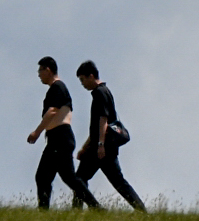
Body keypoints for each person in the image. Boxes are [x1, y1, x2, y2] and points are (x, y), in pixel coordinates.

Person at [74, 60, 147, 211]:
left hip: (101, 148)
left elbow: (103, 120)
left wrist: (100, 145)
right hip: (103, 147)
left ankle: (87, 210)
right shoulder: (104, 91)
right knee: (118, 182)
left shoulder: (100, 93)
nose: (82, 84)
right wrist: (84, 147)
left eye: (83, 80)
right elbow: (96, 127)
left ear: (91, 76)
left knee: (79, 180)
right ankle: (141, 210)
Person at [28, 57, 99, 210]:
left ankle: (96, 207)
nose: (39, 74)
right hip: (57, 138)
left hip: (60, 137)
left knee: (64, 178)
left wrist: (37, 132)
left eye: (40, 70)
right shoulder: (57, 89)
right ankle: (44, 212)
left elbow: (52, 111)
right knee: (46, 177)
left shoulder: (58, 87)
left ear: (48, 70)